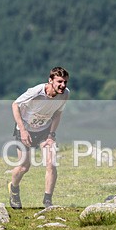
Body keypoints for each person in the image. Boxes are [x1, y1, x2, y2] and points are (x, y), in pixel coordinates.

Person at [8, 67, 70, 209]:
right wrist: (22, 130)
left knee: (51, 163)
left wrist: (51, 134)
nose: (63, 85)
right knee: (24, 166)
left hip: (44, 131)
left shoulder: (65, 94)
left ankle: (47, 201)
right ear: (50, 81)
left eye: (65, 82)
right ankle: (14, 189)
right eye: (59, 81)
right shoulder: (37, 91)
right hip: (25, 130)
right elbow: (15, 105)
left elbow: (57, 114)